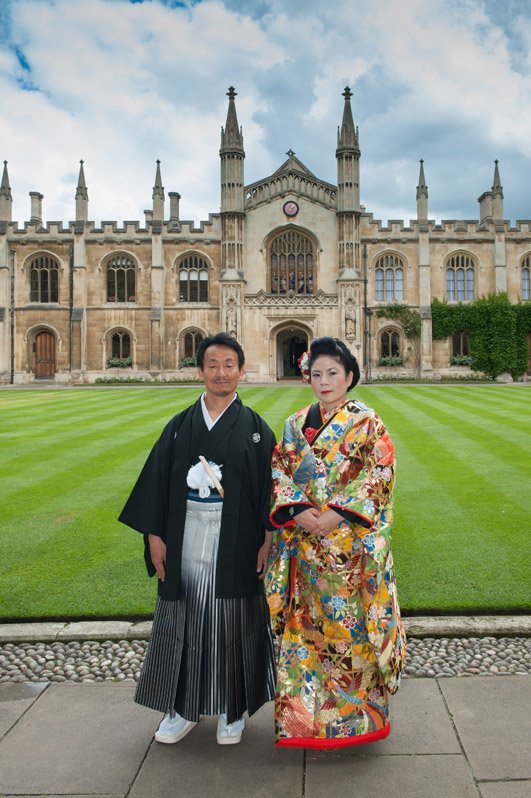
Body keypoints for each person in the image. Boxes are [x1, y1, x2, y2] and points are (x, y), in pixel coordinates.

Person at [119, 332, 276, 746]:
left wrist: (266, 539)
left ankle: (232, 709)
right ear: (200, 371)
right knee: (182, 620)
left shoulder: (257, 430)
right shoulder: (178, 427)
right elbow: (156, 484)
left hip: (237, 541)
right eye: (212, 365)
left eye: (229, 365)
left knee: (234, 622)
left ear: (242, 371)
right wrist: (155, 537)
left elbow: (270, 494)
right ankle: (181, 708)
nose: (221, 373)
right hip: (185, 534)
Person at [266, 336, 406, 749]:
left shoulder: (367, 422)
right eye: (316, 374)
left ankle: (359, 722)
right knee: (305, 634)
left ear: (349, 377)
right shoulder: (295, 424)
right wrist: (299, 510)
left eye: (332, 374)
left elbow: (380, 473)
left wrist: (336, 512)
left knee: (351, 635)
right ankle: (303, 724)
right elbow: (280, 470)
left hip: (349, 550)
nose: (324, 382)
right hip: (307, 548)